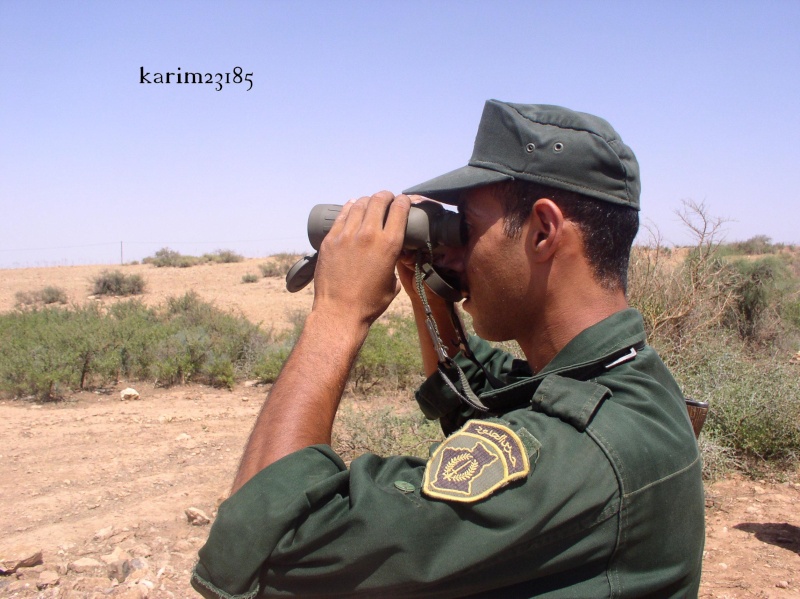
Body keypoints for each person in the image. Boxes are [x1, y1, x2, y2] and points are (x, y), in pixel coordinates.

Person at [192, 100, 705, 598]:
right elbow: (476, 396)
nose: (452, 250)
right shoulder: (626, 378)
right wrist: (426, 282)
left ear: (544, 231)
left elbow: (271, 545)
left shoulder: (579, 453)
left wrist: (338, 313)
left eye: (468, 229)